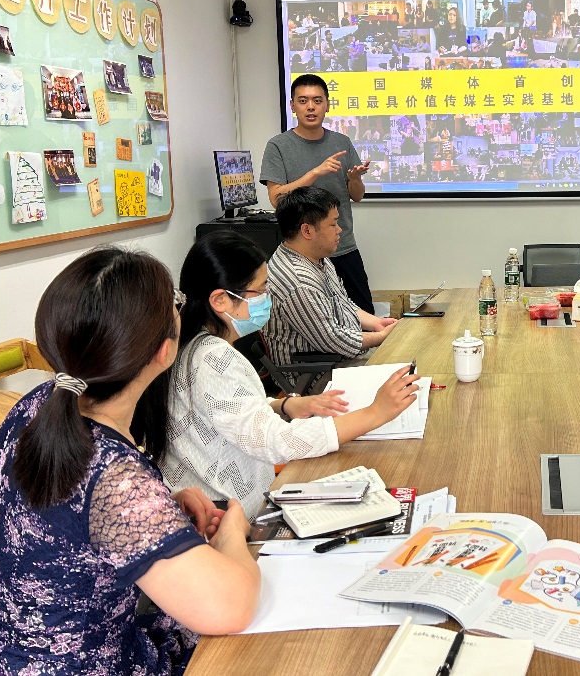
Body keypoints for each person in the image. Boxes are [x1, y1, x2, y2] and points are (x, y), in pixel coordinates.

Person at [0, 247, 260, 673]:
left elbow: (63, 516)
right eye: (174, 301)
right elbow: (229, 607)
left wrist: (157, 513)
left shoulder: (35, 405)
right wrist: (233, 534)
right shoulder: (115, 478)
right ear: (164, 351)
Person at [164, 230, 418, 517]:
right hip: (226, 516)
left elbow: (223, 408)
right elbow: (278, 442)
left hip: (226, 503)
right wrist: (375, 413)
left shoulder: (193, 345)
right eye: (260, 291)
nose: (267, 299)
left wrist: (282, 405)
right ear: (220, 300)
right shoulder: (214, 358)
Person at [260, 73, 375, 313]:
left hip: (343, 246)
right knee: (316, 320)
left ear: (327, 105)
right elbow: (276, 198)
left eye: (317, 100)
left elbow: (357, 195)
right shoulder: (278, 145)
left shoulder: (342, 142)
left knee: (363, 314)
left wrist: (355, 180)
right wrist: (315, 172)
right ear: (292, 106)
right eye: (302, 101)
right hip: (301, 253)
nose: (310, 107)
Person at [265, 187, 400, 370]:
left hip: (340, 357)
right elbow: (334, 340)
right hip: (317, 373)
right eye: (333, 224)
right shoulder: (299, 282)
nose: (339, 230)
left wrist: (377, 323)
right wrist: (383, 337)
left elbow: (343, 304)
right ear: (307, 231)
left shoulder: (317, 258)